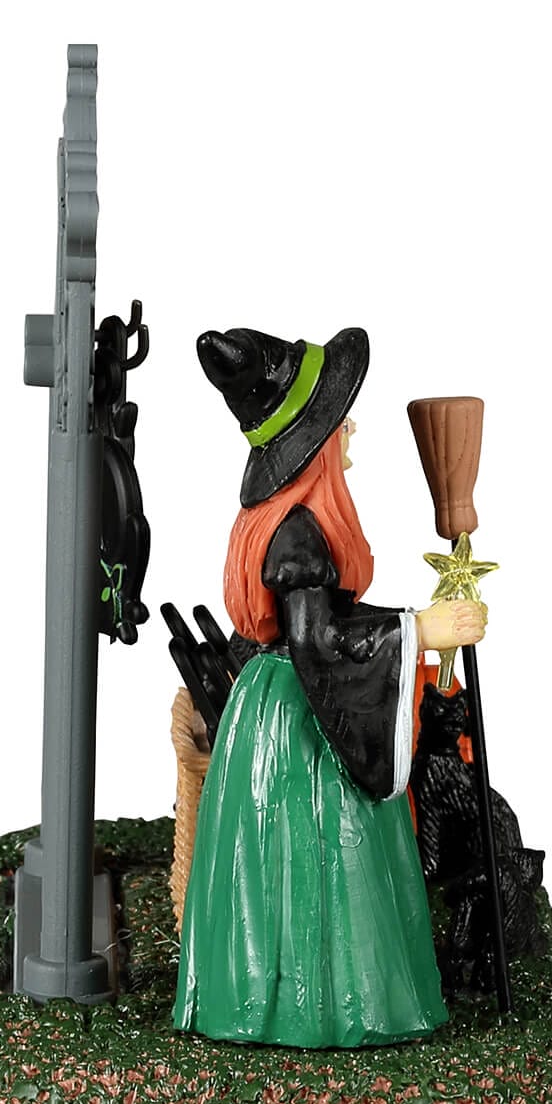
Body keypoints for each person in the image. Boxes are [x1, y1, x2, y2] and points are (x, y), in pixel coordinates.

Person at [172, 326, 487, 1048]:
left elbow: (331, 622)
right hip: (296, 721)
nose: (350, 430)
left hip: (277, 699)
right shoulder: (299, 538)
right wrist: (419, 632)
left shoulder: (299, 527)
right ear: (314, 444)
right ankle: (312, 1007)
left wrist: (416, 626)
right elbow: (317, 644)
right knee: (314, 857)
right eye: (339, 420)